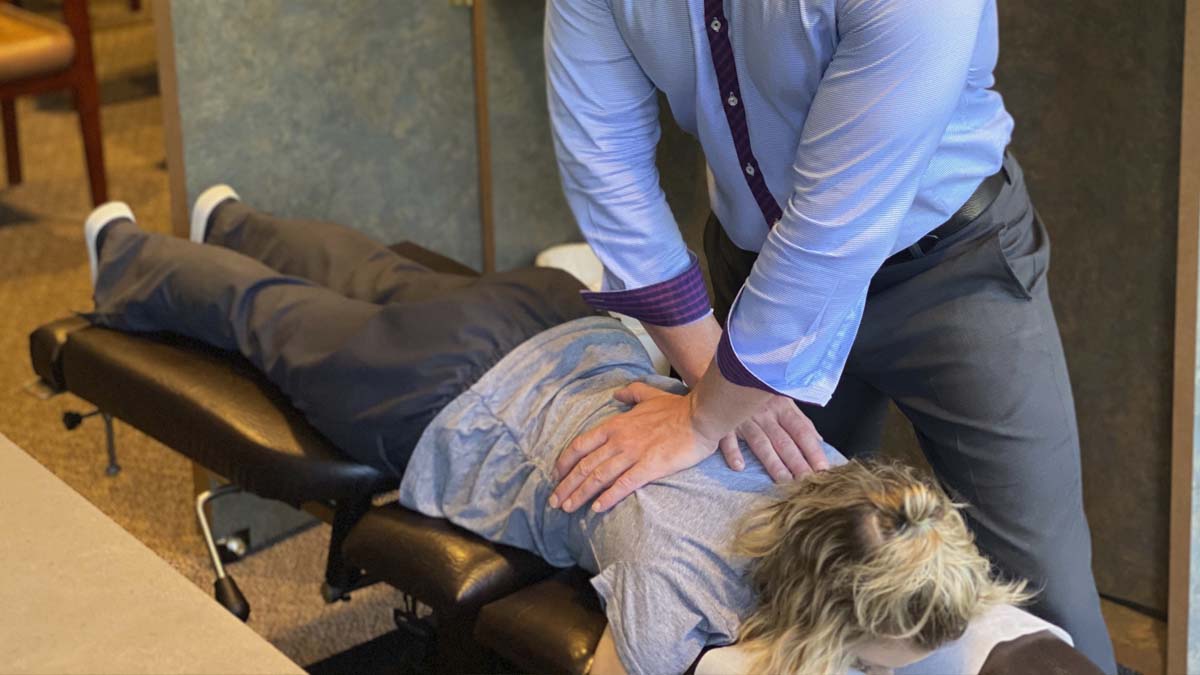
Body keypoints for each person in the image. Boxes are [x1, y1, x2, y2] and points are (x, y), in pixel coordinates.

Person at [82, 191, 1035, 675]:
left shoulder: (827, 471)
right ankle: (120, 249)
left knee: (380, 279)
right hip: (444, 396)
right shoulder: (669, 579)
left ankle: (233, 214)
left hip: (564, 318)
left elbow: (936, 596)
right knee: (269, 318)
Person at [543, 0, 1115, 670]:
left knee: (1041, 596)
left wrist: (706, 414)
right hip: (753, 282)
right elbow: (602, 160)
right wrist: (706, 373)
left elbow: (832, 232)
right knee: (755, 573)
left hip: (950, 272)